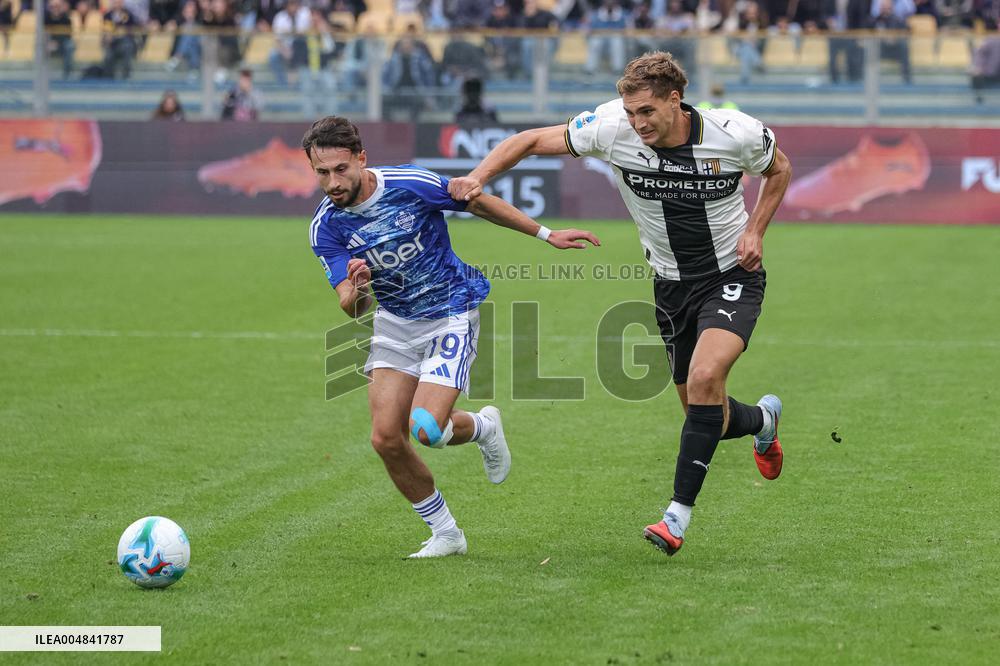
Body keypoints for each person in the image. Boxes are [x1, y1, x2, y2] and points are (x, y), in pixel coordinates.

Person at [448, 52, 792, 557]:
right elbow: (528, 140)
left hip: (731, 275)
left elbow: (779, 169)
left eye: (647, 111)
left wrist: (755, 230)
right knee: (708, 417)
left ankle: (675, 518)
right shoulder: (611, 127)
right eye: (631, 113)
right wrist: (476, 177)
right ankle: (763, 422)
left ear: (675, 100)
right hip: (669, 286)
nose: (638, 123)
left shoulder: (733, 132)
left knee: (704, 379)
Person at [303, 116, 599, 558]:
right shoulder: (326, 226)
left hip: (451, 312)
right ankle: (446, 533)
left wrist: (546, 233)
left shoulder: (409, 183)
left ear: (361, 159)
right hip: (394, 323)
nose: (332, 182)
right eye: (322, 172)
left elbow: (476, 203)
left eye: (340, 169)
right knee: (385, 438)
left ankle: (482, 427)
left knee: (425, 429)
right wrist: (359, 288)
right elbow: (351, 303)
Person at [45, 0, 76, 79]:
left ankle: (67, 73)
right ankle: (43, 73)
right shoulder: (46, 19)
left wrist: (57, 43)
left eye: (57, 7)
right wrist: (48, 42)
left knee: (70, 46)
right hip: (49, 43)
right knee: (39, 46)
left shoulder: (66, 20)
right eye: (53, 7)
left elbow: (68, 36)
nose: (55, 9)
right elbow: (42, 35)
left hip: (62, 43)